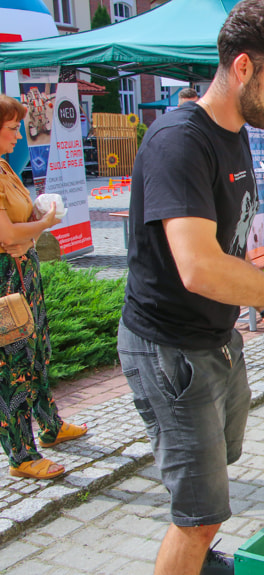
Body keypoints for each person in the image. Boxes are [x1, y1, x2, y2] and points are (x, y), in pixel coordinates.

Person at [116, 3, 264, 573]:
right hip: (169, 349)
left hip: (217, 340)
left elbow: (230, 246)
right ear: (243, 67)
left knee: (223, 459)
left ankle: (201, 557)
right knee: (199, 515)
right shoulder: (178, 141)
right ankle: (195, 550)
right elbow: (197, 266)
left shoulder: (239, 132)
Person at [0, 94, 87, 480]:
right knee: (13, 367)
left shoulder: (4, 167)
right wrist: (44, 223)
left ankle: (50, 426)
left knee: (37, 354)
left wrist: (31, 223)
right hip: (6, 280)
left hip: (24, 272)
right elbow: (5, 234)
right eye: (11, 127)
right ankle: (21, 455)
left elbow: (17, 229)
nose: (18, 134)